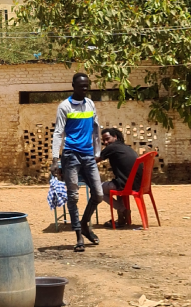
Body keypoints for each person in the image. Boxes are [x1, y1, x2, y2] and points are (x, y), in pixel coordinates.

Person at [50, 73, 104, 252]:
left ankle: (84, 223)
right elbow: (58, 132)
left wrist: (97, 152)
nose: (85, 88)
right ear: (73, 85)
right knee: (73, 196)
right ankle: (79, 235)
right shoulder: (64, 106)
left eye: (87, 85)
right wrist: (54, 159)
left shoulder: (90, 104)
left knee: (98, 194)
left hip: (88, 155)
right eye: (81, 86)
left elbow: (96, 128)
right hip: (71, 155)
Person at [96, 128, 142, 227]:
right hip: (138, 184)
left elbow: (94, 161)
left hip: (126, 184)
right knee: (117, 183)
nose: (105, 142)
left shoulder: (112, 148)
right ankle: (121, 219)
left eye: (107, 139)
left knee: (96, 189)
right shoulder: (126, 147)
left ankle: (123, 210)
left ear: (115, 137)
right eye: (103, 141)